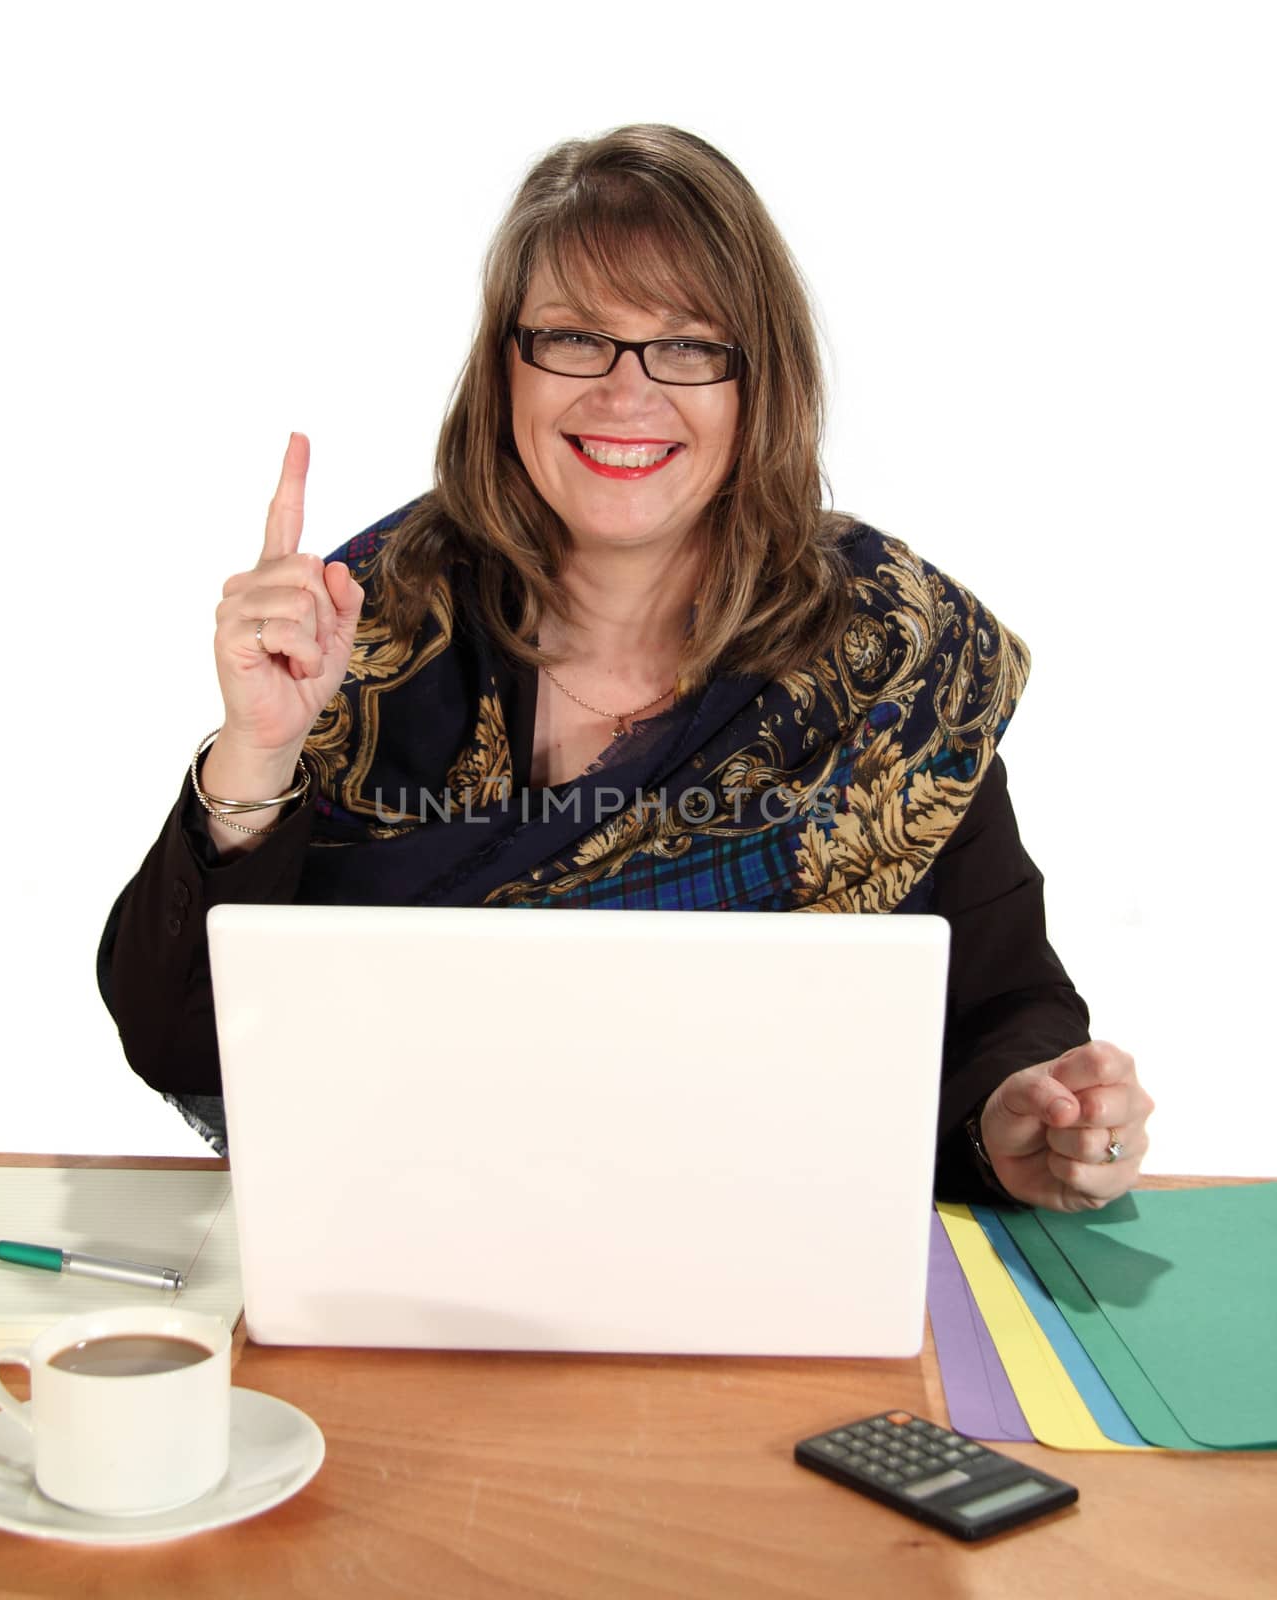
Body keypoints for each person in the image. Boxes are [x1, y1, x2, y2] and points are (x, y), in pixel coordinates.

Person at [99, 123, 1153, 1209]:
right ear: (505, 366)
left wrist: (1025, 1115)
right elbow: (181, 1036)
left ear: (759, 385)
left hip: (756, 1250)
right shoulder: (364, 625)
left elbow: (1001, 1006)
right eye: (572, 337)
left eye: (689, 344)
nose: (624, 391)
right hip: (410, 1248)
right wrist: (257, 753)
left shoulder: (887, 654)